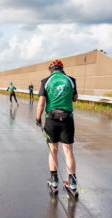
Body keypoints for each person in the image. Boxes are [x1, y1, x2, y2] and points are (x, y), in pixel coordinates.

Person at [35, 59, 78, 192]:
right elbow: (75, 98)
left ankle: (54, 181)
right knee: (68, 151)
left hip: (51, 119)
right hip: (67, 118)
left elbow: (41, 103)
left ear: (51, 70)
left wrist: (38, 118)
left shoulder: (45, 81)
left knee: (53, 150)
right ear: (62, 68)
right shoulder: (71, 80)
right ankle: (72, 182)